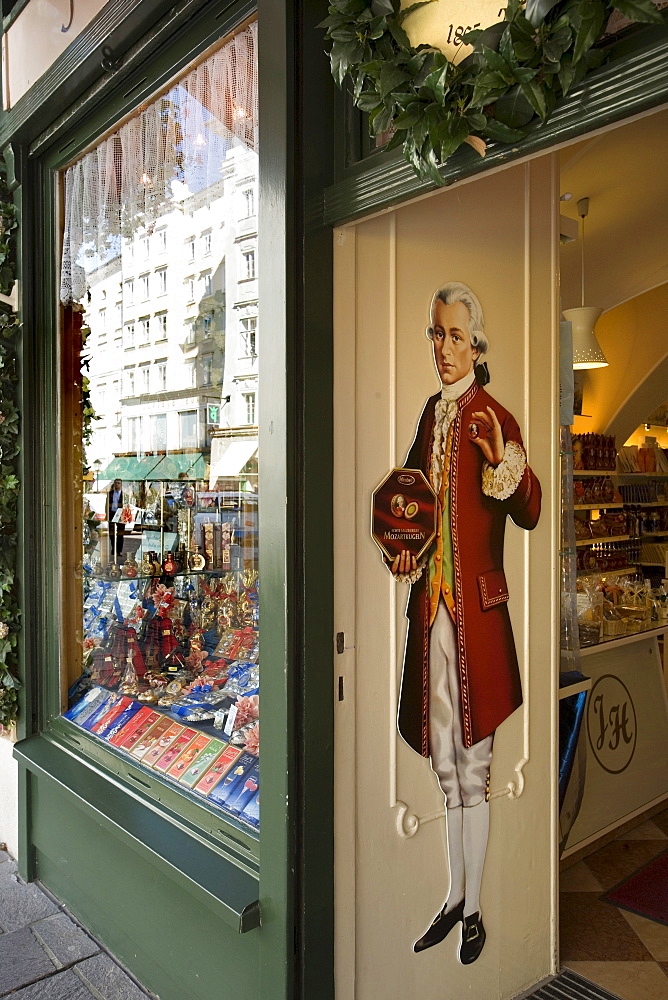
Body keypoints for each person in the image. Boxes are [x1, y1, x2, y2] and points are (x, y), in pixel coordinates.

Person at [386, 282, 541, 963]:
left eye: (452, 336)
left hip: (477, 615)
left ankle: (473, 909)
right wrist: (402, 548)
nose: (441, 349)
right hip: (435, 615)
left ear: (475, 344)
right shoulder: (430, 412)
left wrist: (501, 457)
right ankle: (456, 899)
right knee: (446, 765)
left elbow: (530, 508)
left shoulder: (495, 415)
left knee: (474, 767)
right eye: (434, 335)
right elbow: (414, 503)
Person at [106, 478, 126, 558]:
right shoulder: (110, 493)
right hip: (112, 514)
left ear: (121, 484)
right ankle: (113, 549)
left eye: (118, 483)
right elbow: (106, 504)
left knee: (120, 533)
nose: (117, 485)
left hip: (121, 515)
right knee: (112, 533)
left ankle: (119, 550)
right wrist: (107, 514)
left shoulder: (124, 495)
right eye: (115, 483)